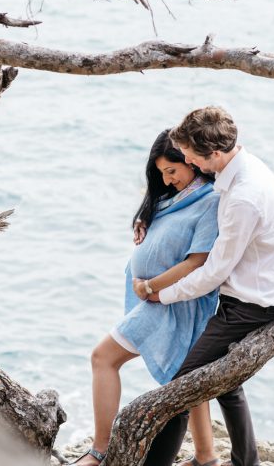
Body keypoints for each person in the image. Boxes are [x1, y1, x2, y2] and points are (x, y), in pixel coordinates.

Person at [133, 106, 274, 466]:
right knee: (227, 382)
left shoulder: (243, 197)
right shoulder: (245, 168)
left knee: (179, 390)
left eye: (190, 154)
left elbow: (213, 270)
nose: (186, 159)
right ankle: (246, 462)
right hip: (258, 293)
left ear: (215, 155)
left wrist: (162, 294)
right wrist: (147, 216)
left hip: (251, 305)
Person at [73, 130, 222, 466]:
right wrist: (145, 219)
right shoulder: (175, 198)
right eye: (161, 174)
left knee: (103, 358)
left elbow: (197, 261)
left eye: (172, 171)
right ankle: (207, 457)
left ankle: (99, 450)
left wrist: (151, 286)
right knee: (186, 377)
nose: (168, 181)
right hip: (157, 298)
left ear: (191, 161)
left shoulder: (209, 201)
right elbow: (165, 218)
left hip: (171, 303)